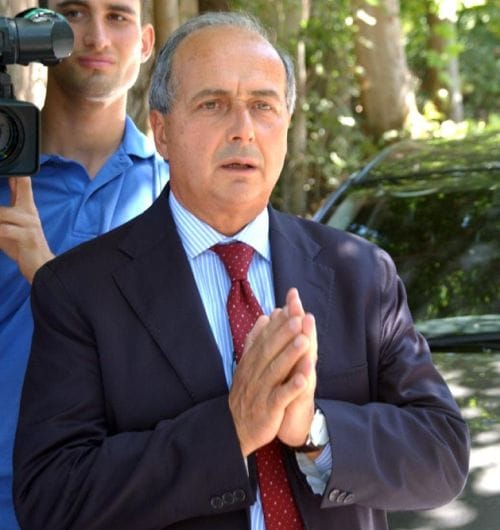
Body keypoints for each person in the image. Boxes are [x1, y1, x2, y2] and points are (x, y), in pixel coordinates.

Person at [13, 11, 469, 530]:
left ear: (286, 126)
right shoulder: (79, 290)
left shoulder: (361, 275)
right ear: (161, 131)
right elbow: (51, 498)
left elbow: (443, 454)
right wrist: (231, 429)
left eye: (262, 105)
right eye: (212, 104)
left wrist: (315, 429)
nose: (243, 130)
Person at [0, 1, 168, 528]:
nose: (96, 37)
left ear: (145, 43)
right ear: (38, 30)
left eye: (117, 16)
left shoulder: (176, 193)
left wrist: (48, 276)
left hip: (122, 501)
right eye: (74, 12)